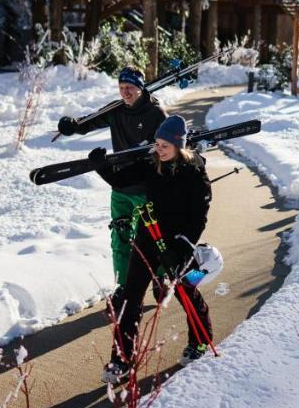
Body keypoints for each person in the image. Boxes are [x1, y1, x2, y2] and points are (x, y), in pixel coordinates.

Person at [90, 114, 213, 384]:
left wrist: (182, 247)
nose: (159, 149)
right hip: (148, 235)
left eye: (164, 146)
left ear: (179, 145)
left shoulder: (194, 174)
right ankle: (121, 359)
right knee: (131, 298)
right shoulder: (152, 164)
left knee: (186, 289)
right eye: (157, 144)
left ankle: (201, 341)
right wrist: (102, 168)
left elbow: (199, 217)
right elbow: (122, 180)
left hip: (179, 242)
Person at [58, 66, 167, 289]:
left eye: (129, 87)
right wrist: (72, 126)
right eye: (121, 88)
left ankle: (160, 279)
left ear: (140, 87)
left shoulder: (156, 113)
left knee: (153, 238)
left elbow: (168, 147)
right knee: (120, 238)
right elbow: (90, 122)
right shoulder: (116, 110)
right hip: (120, 187)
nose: (125, 92)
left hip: (147, 187)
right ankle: (123, 287)